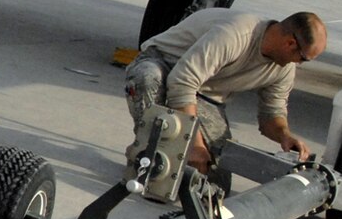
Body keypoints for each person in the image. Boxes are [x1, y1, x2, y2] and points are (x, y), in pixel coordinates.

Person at [124, 9, 326, 174]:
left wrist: (285, 136)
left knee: (214, 174)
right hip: (164, 64)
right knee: (147, 78)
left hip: (202, 94)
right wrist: (193, 145)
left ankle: (166, 159)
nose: (300, 64)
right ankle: (146, 155)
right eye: (304, 58)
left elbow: (271, 114)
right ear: (290, 43)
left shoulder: (284, 69)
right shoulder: (236, 35)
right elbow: (182, 81)